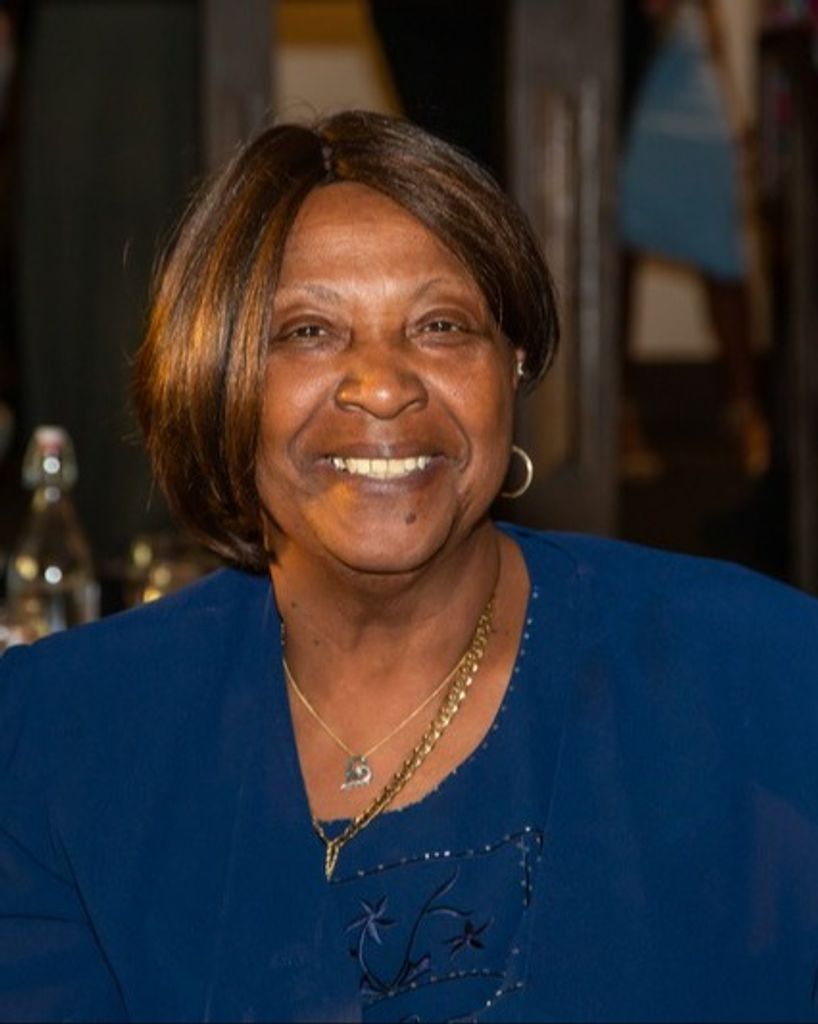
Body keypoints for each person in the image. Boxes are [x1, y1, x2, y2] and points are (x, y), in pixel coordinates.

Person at [0, 110, 816, 1023]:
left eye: (440, 325)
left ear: (511, 366)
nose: (383, 385)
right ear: (218, 379)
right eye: (308, 331)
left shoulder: (754, 680)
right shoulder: (62, 745)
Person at [619, 0, 771, 479]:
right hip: (636, 86)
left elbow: (709, 16)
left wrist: (734, 105)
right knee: (618, 253)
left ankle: (746, 409)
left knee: (724, 255)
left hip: (690, 75)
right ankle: (620, 414)